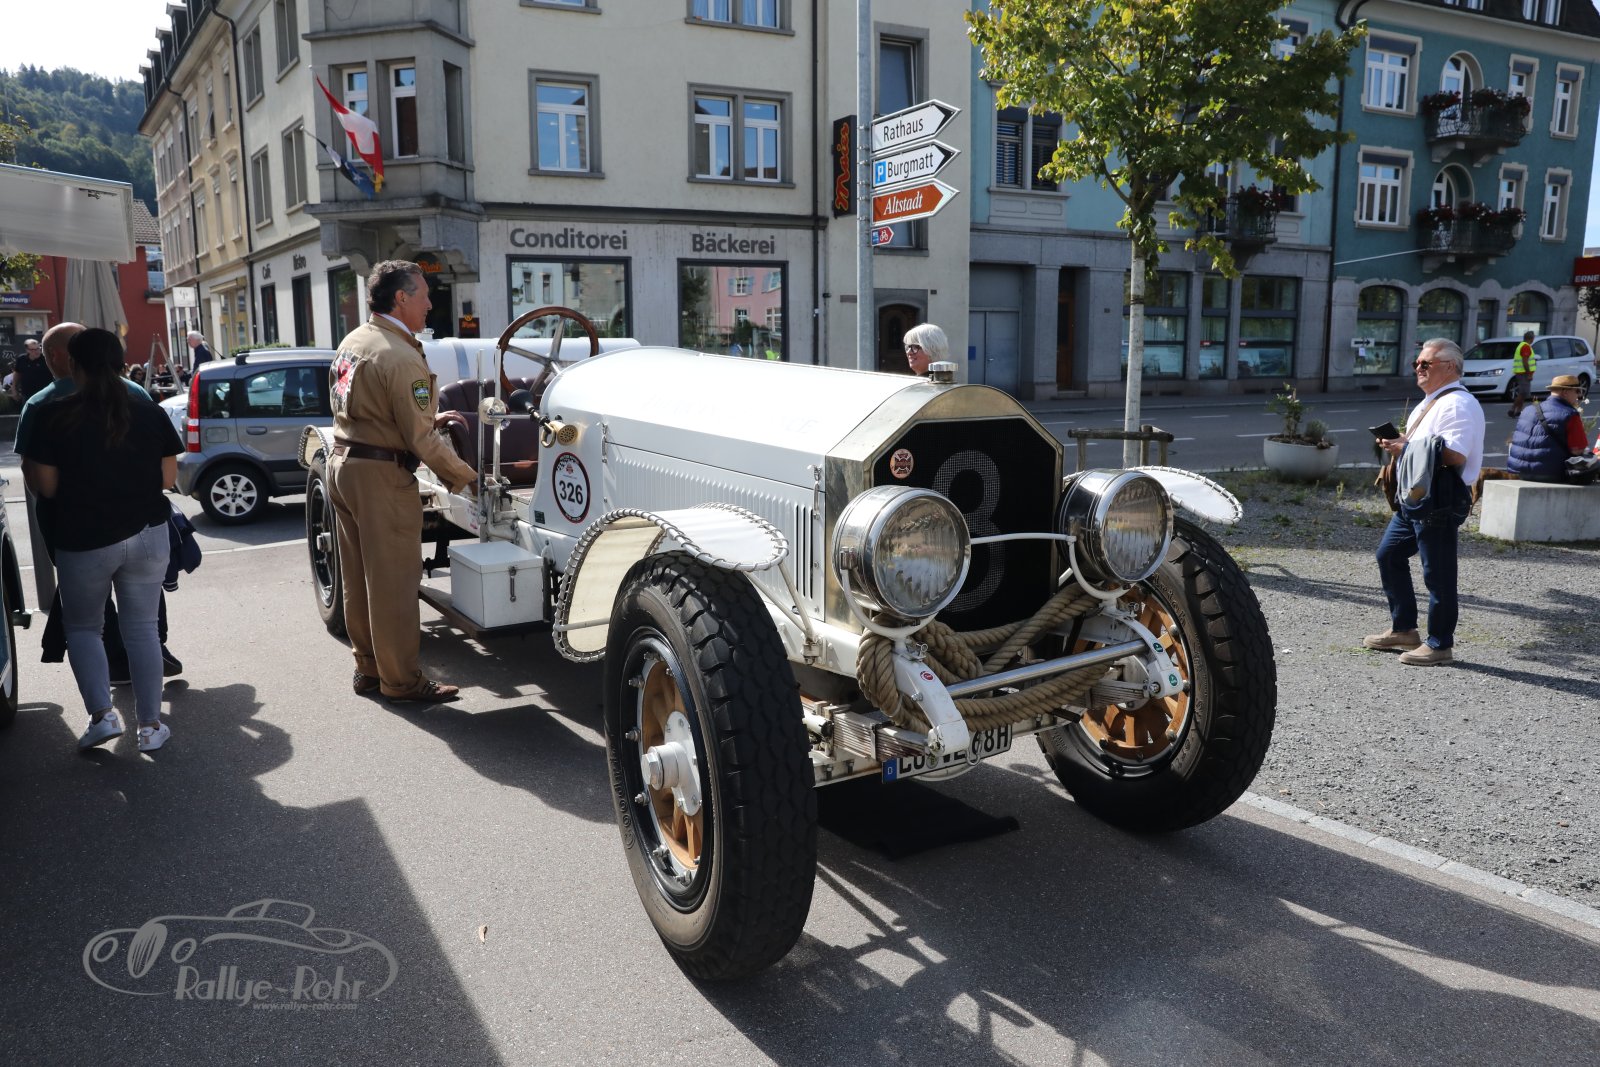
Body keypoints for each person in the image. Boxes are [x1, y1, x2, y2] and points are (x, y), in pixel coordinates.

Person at [19, 328, 183, 752]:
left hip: (83, 539)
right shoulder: (148, 411)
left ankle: (102, 717)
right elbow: (168, 478)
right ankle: (150, 727)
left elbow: (45, 487)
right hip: (148, 533)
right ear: (121, 364)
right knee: (143, 630)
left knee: (83, 629)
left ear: (72, 365)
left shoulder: (51, 415)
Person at [328, 260, 478, 704]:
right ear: (401, 298)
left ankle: (369, 669)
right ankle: (401, 681)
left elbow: (364, 406)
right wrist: (468, 479)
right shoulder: (400, 355)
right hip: (380, 476)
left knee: (359, 577)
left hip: (344, 464)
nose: (430, 304)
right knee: (393, 584)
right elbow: (421, 438)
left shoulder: (356, 340)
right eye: (424, 295)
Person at [1364, 338, 1485, 667]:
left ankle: (1439, 644)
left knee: (1438, 573)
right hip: (1419, 497)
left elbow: (1455, 454)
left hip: (1440, 497)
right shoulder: (1434, 401)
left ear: (1450, 366)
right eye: (1416, 363)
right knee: (1389, 555)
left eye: (1426, 363)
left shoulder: (1458, 404)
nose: (1418, 368)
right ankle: (1404, 629)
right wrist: (1400, 444)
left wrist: (1405, 448)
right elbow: (1426, 448)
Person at [1506, 374, 1588, 482]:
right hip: (1550, 473)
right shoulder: (1570, 414)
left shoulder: (1528, 410)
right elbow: (1577, 450)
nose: (1579, 395)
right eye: (1577, 391)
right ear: (1565, 392)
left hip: (1517, 471)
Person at [11, 337, 53, 403]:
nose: (37, 351)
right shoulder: (21, 359)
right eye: (33, 349)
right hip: (27, 395)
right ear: (27, 350)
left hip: (45, 395)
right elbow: (17, 374)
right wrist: (14, 389)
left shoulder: (46, 359)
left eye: (38, 348)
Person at [1507, 330, 1536, 417]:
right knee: (1523, 392)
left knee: (1523, 393)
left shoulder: (1522, 345)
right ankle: (1512, 409)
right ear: (1531, 339)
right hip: (1523, 373)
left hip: (1521, 372)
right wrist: (1529, 373)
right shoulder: (1525, 347)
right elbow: (1525, 361)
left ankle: (1518, 411)